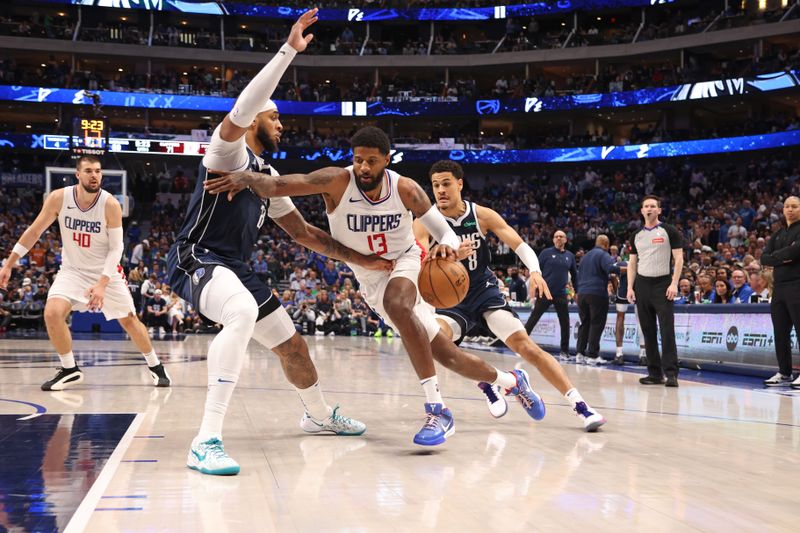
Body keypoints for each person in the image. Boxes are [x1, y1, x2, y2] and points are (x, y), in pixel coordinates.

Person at [205, 126, 547, 446]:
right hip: (369, 276)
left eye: (371, 160)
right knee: (448, 356)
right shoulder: (337, 181)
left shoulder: (406, 189)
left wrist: (446, 244)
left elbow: (442, 229)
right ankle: (512, 382)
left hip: (406, 261)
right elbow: (283, 185)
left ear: (387, 159)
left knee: (399, 305)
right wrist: (247, 176)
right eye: (357, 159)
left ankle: (437, 411)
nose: (363, 167)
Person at [166, 10, 387, 476]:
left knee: (294, 348)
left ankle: (318, 415)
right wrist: (289, 51)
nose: (281, 124)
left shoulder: (265, 178)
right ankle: (206, 440)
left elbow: (306, 235)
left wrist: (363, 259)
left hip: (237, 268)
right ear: (253, 122)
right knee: (241, 312)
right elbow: (244, 107)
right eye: (275, 115)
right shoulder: (226, 152)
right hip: (195, 257)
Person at [413, 160, 605, 431]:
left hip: (483, 290)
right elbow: (418, 259)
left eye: (446, 183)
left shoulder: (482, 215)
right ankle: (492, 382)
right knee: (439, 346)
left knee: (526, 347)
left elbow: (517, 243)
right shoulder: (425, 222)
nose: (440, 190)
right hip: (451, 300)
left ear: (459, 183)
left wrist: (535, 271)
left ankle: (581, 406)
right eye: (435, 185)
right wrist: (448, 256)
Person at [0, 155, 170, 390]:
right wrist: (9, 263)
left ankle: (155, 365)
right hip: (72, 271)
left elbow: (117, 248)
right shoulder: (59, 198)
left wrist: (101, 284)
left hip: (106, 272)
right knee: (52, 313)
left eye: (98, 171)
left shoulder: (110, 203)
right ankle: (69, 369)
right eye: (89, 171)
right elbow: (34, 231)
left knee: (129, 321)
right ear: (77, 174)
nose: (94, 175)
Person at [626, 195, 683, 387]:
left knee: (667, 330)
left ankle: (671, 373)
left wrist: (674, 283)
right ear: (641, 211)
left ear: (659, 210)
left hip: (663, 284)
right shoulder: (636, 235)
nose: (649, 209)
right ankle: (654, 373)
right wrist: (629, 287)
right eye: (646, 206)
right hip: (642, 285)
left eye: (653, 206)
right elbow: (632, 263)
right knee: (648, 330)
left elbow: (679, 259)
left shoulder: (669, 231)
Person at [760, 196, 800, 388]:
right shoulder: (777, 233)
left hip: (797, 284)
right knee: (780, 332)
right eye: (787, 206)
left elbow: (795, 252)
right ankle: (784, 372)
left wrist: (780, 256)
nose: (790, 209)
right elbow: (764, 258)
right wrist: (782, 257)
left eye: (794, 206)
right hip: (779, 288)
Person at [523, 230, 577, 360]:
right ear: (553, 239)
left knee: (565, 323)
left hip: (561, 294)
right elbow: (536, 270)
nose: (558, 238)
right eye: (556, 236)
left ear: (565, 240)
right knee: (533, 319)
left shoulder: (570, 256)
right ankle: (521, 347)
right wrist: (533, 287)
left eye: (561, 236)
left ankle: (564, 351)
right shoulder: (546, 253)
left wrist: (577, 291)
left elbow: (575, 275)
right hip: (544, 292)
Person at [575, 235, 620, 365]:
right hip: (597, 293)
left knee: (585, 323)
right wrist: (626, 269)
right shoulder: (603, 255)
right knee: (596, 323)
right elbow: (611, 269)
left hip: (582, 294)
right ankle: (593, 355)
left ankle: (580, 353)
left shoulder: (584, 257)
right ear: (606, 244)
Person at [609, 246, 645, 366]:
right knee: (641, 321)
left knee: (620, 318)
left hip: (623, 291)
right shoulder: (643, 263)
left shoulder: (620, 263)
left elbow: (613, 275)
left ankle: (619, 354)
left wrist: (615, 290)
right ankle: (643, 354)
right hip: (640, 291)